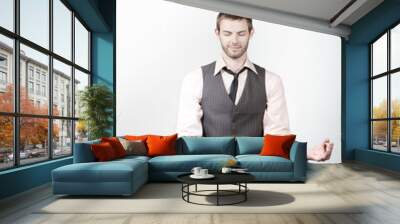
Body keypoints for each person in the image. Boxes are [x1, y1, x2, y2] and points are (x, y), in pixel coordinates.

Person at [176, 13, 333, 161]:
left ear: (251, 33)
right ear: (217, 33)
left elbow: (277, 136)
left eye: (241, 33)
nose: (235, 40)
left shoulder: (271, 81)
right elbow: (189, 140)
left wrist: (307, 154)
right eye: (227, 33)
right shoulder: (194, 79)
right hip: (210, 169)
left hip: (255, 169)